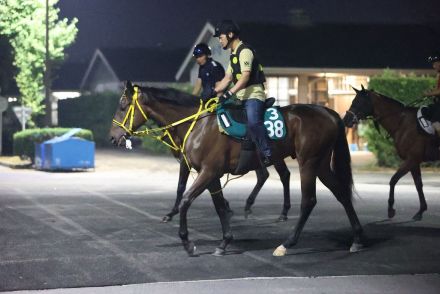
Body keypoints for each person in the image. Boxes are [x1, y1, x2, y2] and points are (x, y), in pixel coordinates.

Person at [212, 20, 272, 165]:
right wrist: (213, 92)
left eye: (221, 37)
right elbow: (227, 78)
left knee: (253, 122)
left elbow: (245, 78)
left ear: (230, 35)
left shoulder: (245, 51)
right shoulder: (233, 55)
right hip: (240, 97)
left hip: (253, 95)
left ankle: (267, 152)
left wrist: (228, 93)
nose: (219, 41)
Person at [424, 53, 440, 136]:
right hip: (438, 103)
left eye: (435, 64)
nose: (434, 66)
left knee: (435, 122)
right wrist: (432, 91)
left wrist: (429, 93)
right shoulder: (438, 75)